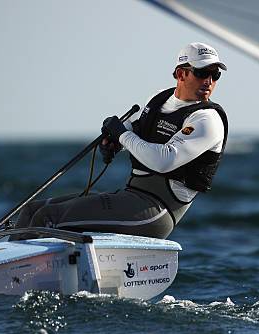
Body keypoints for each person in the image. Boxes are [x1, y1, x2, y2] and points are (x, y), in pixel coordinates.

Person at [12, 42, 228, 239]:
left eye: (215, 74)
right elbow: (136, 129)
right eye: (202, 73)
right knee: (32, 210)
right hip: (130, 196)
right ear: (181, 74)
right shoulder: (160, 98)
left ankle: (17, 276)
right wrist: (115, 142)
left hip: (154, 213)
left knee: (47, 217)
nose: (209, 81)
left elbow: (164, 161)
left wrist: (122, 136)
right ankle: (2, 267)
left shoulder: (207, 119)